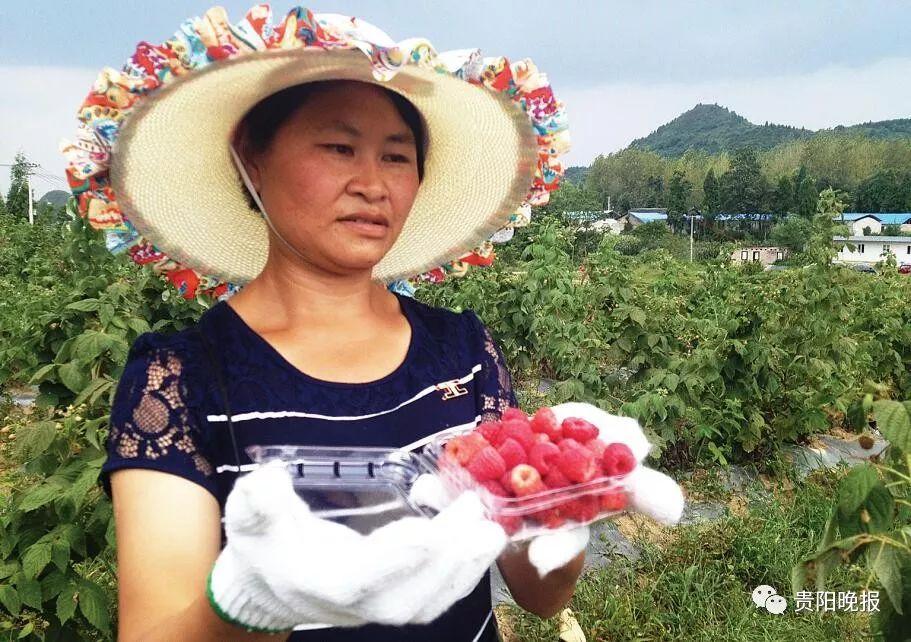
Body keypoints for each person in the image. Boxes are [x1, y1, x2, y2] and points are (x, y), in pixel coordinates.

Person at [63, 6, 580, 641]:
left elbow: (539, 594)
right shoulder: (184, 381)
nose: (373, 184)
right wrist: (258, 599)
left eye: (397, 156)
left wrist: (561, 514)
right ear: (251, 162)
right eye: (339, 148)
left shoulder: (462, 352)